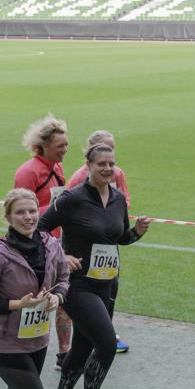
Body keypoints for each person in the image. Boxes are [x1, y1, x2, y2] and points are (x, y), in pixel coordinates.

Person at [38, 143, 151, 389]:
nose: (108, 168)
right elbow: (39, 230)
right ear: (88, 165)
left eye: (111, 164)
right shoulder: (72, 199)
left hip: (107, 284)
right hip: (77, 285)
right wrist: (61, 256)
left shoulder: (117, 199)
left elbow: (118, 238)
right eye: (101, 164)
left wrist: (136, 232)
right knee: (106, 344)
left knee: (83, 346)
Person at [0, 189, 69, 389]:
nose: (28, 217)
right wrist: (18, 304)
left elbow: (64, 278)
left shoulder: (52, 245)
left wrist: (58, 297)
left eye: (32, 211)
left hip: (38, 339)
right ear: (8, 217)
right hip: (6, 344)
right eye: (20, 212)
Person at [14, 114, 72, 370]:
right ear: (44, 146)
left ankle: (64, 353)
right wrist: (56, 208)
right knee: (31, 299)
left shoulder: (56, 168)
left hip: (56, 242)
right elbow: (19, 212)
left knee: (61, 295)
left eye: (66, 144)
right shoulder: (28, 172)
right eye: (61, 145)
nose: (65, 149)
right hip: (32, 246)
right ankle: (14, 349)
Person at [67, 130, 130, 354]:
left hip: (109, 246)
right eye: (103, 147)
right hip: (85, 249)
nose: (108, 153)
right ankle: (87, 341)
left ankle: (105, 332)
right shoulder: (78, 180)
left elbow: (124, 200)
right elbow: (64, 212)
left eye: (111, 148)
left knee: (111, 288)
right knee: (85, 296)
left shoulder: (117, 173)